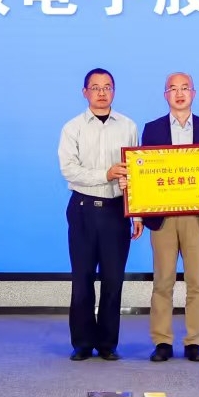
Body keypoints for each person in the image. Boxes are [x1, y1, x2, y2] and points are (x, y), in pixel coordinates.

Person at [57, 67, 141, 361]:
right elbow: (69, 170)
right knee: (82, 279)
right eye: (95, 87)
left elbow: (138, 172)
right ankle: (82, 342)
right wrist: (105, 174)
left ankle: (107, 343)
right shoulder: (72, 128)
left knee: (113, 280)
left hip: (117, 211)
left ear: (114, 91)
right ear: (85, 92)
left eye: (107, 87)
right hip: (82, 209)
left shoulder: (128, 126)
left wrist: (137, 214)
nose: (102, 93)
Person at [140, 73, 199, 363]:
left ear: (193, 93)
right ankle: (162, 341)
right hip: (163, 218)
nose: (179, 93)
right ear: (166, 95)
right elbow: (145, 174)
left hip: (197, 217)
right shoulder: (152, 130)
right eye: (173, 89)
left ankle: (193, 342)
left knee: (197, 282)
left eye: (185, 88)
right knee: (163, 282)